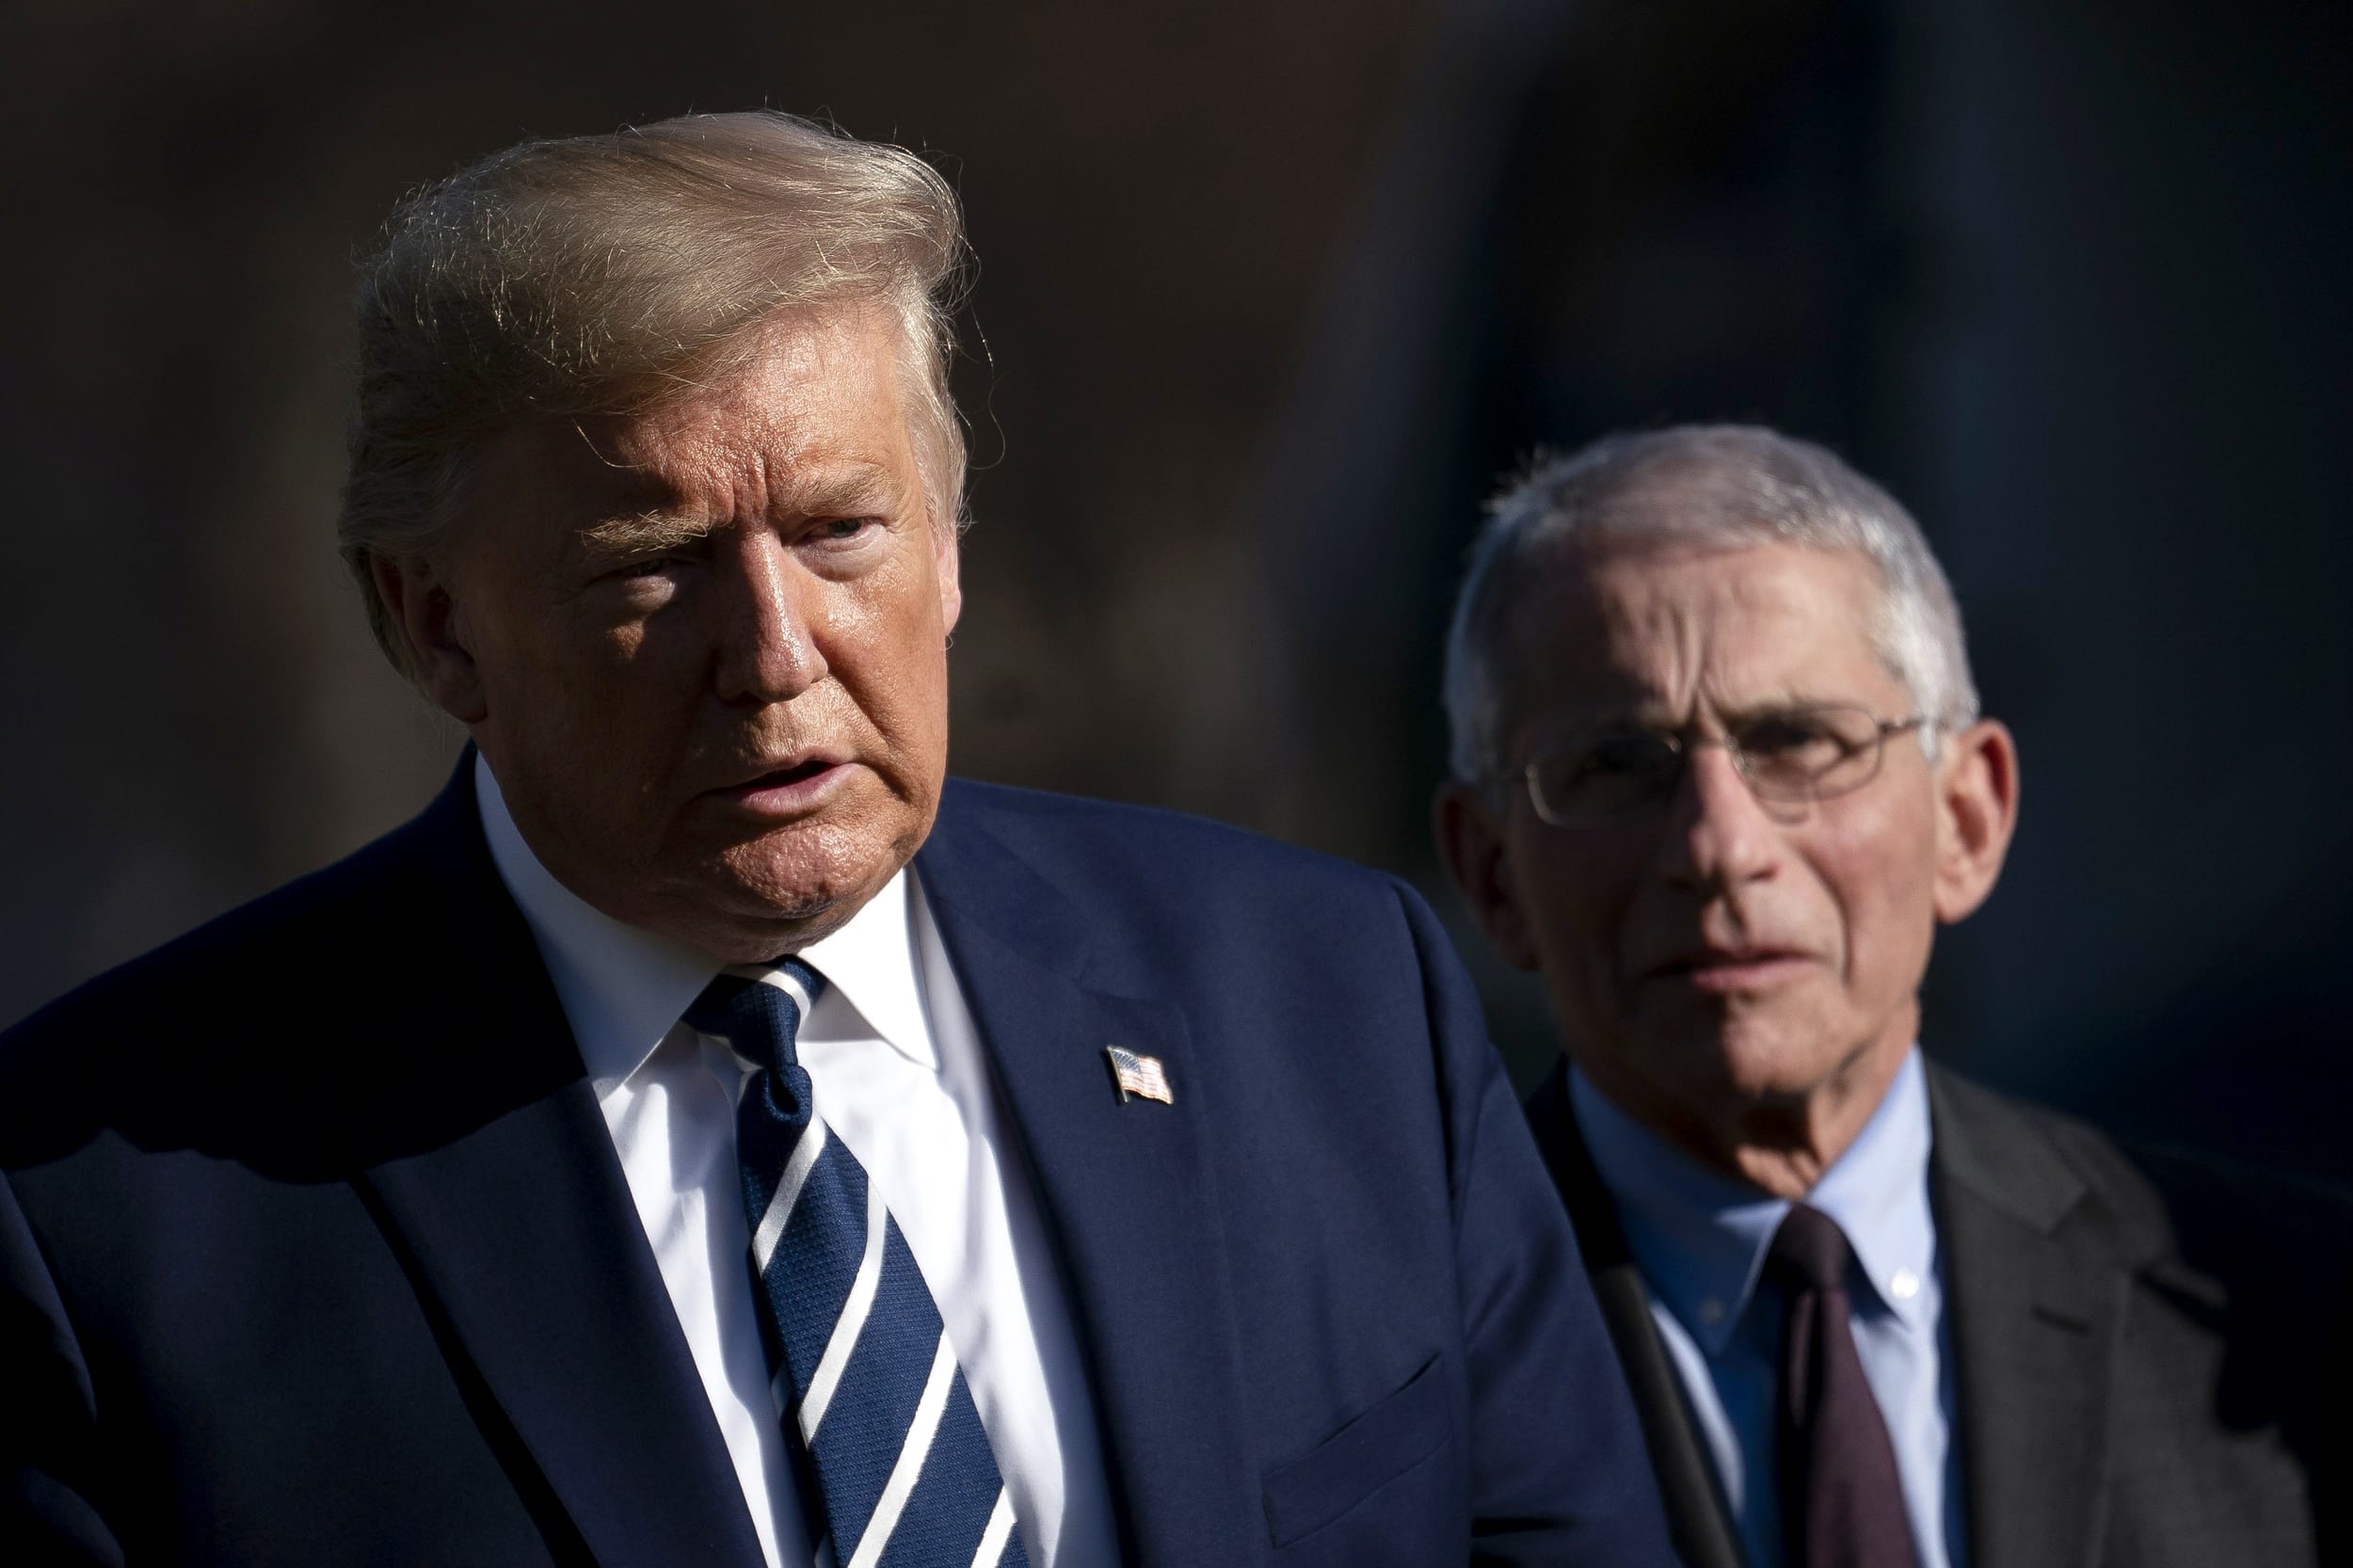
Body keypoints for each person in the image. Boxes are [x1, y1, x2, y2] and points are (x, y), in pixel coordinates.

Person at [0, 114, 1675, 1568]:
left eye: (839, 531)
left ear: (948, 548)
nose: (778, 656)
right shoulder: (104, 1210)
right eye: (649, 566)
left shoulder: (1329, 1005)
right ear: (433, 623)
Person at [1433, 424, 2351, 1568]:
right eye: (1617, 766)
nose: (1719, 846)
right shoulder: (1381, 1376)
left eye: (1798, 743)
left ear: (1966, 819)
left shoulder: (2286, 1322)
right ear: (1488, 872)